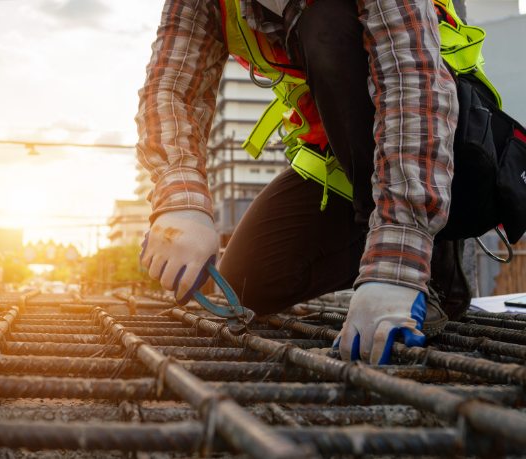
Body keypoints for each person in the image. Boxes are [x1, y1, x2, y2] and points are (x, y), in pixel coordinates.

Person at [136, 0, 477, 364]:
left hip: (439, 150)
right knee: (250, 282)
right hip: (342, 161)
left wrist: (398, 260)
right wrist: (182, 201)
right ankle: (371, 244)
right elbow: (170, 90)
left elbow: (413, 86)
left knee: (324, 21)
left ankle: (432, 267)